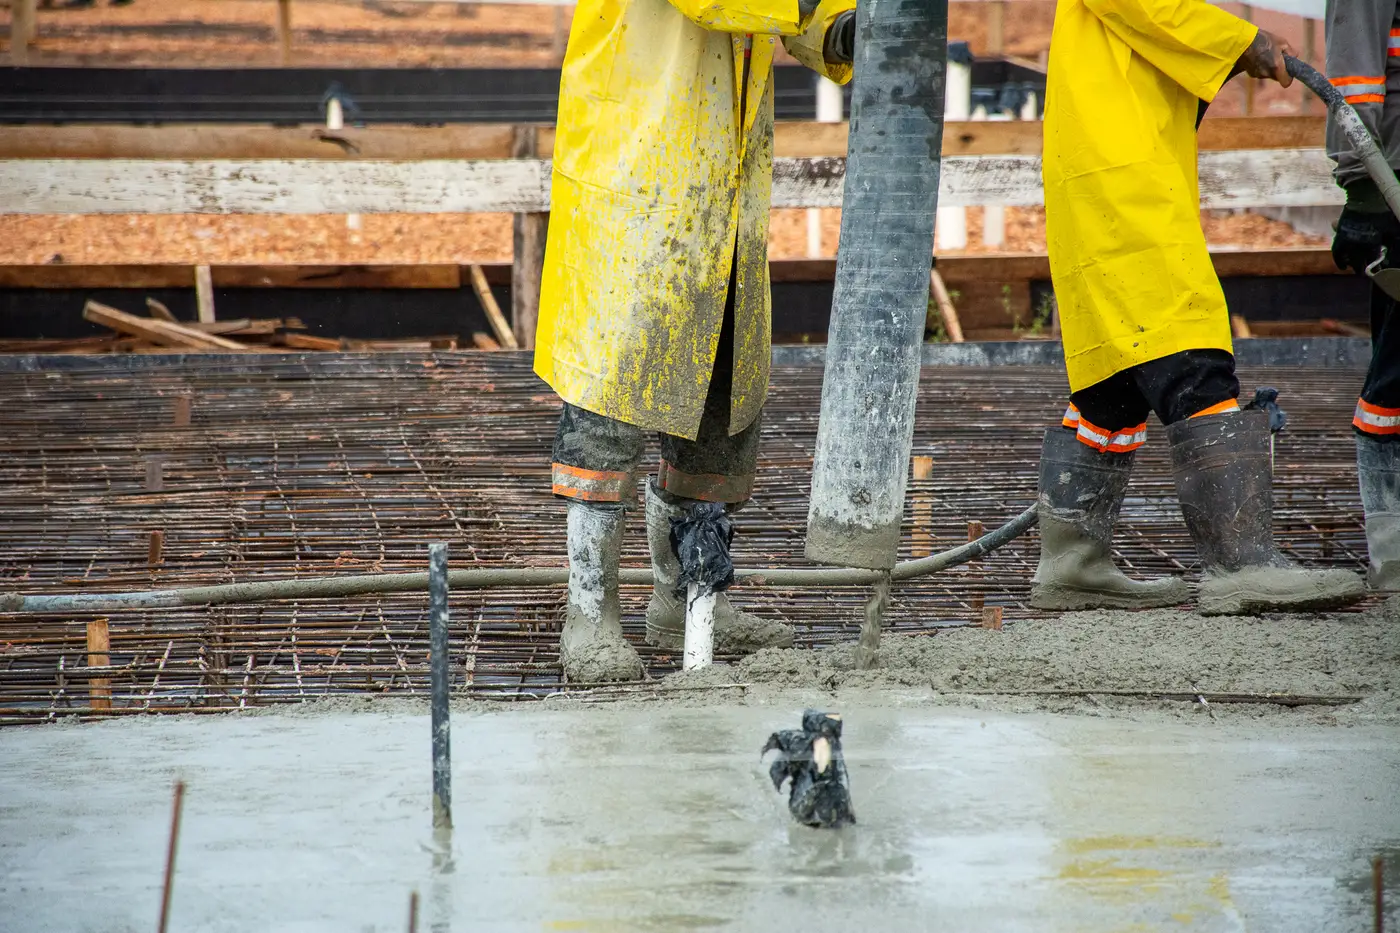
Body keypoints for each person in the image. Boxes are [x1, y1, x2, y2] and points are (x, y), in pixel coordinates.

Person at [534, 0, 857, 681]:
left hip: (722, 183)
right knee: (612, 400)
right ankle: (589, 615)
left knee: (720, 397)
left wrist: (840, 29)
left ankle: (685, 600)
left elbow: (798, 16)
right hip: (638, 170)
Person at [1031, 0, 1364, 615]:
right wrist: (1239, 40)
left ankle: (1073, 564)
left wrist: (1231, 51)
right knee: (1187, 349)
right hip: (1122, 166)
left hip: (1107, 156)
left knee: (1116, 373)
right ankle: (1241, 564)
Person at [1325, 0, 1400, 591]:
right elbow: (1354, 69)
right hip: (1396, 183)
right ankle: (1392, 550)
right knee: (1396, 373)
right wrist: (1364, 188)